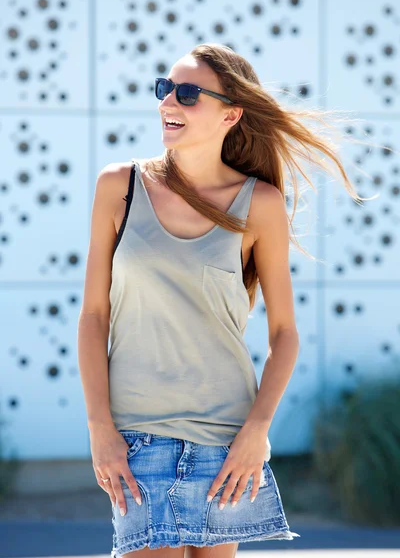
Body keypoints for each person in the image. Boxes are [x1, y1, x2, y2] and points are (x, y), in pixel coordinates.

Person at [78, 42, 373, 557]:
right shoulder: (117, 187)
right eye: (164, 88)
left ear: (231, 113)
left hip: (226, 437)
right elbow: (93, 316)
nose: (169, 102)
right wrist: (100, 428)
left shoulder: (259, 203)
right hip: (136, 437)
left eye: (188, 93)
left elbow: (284, 334)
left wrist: (256, 432)